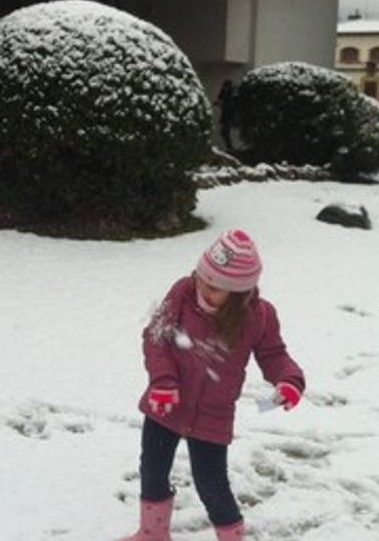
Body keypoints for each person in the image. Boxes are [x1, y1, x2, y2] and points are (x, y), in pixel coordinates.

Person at [118, 230, 305, 541]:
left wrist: (289, 379)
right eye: (201, 278)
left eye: (215, 287)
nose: (203, 289)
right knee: (152, 469)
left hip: (212, 415)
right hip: (166, 404)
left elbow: (273, 354)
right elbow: (157, 335)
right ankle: (152, 534)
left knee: (211, 483)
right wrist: (162, 380)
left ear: (239, 292)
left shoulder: (259, 317)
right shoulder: (183, 292)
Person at [215, 80, 237, 152]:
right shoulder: (224, 93)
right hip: (225, 115)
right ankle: (229, 147)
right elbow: (220, 99)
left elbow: (231, 104)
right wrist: (218, 103)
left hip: (230, 115)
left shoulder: (232, 93)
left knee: (224, 131)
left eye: (226, 87)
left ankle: (230, 148)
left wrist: (222, 104)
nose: (225, 88)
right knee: (224, 132)